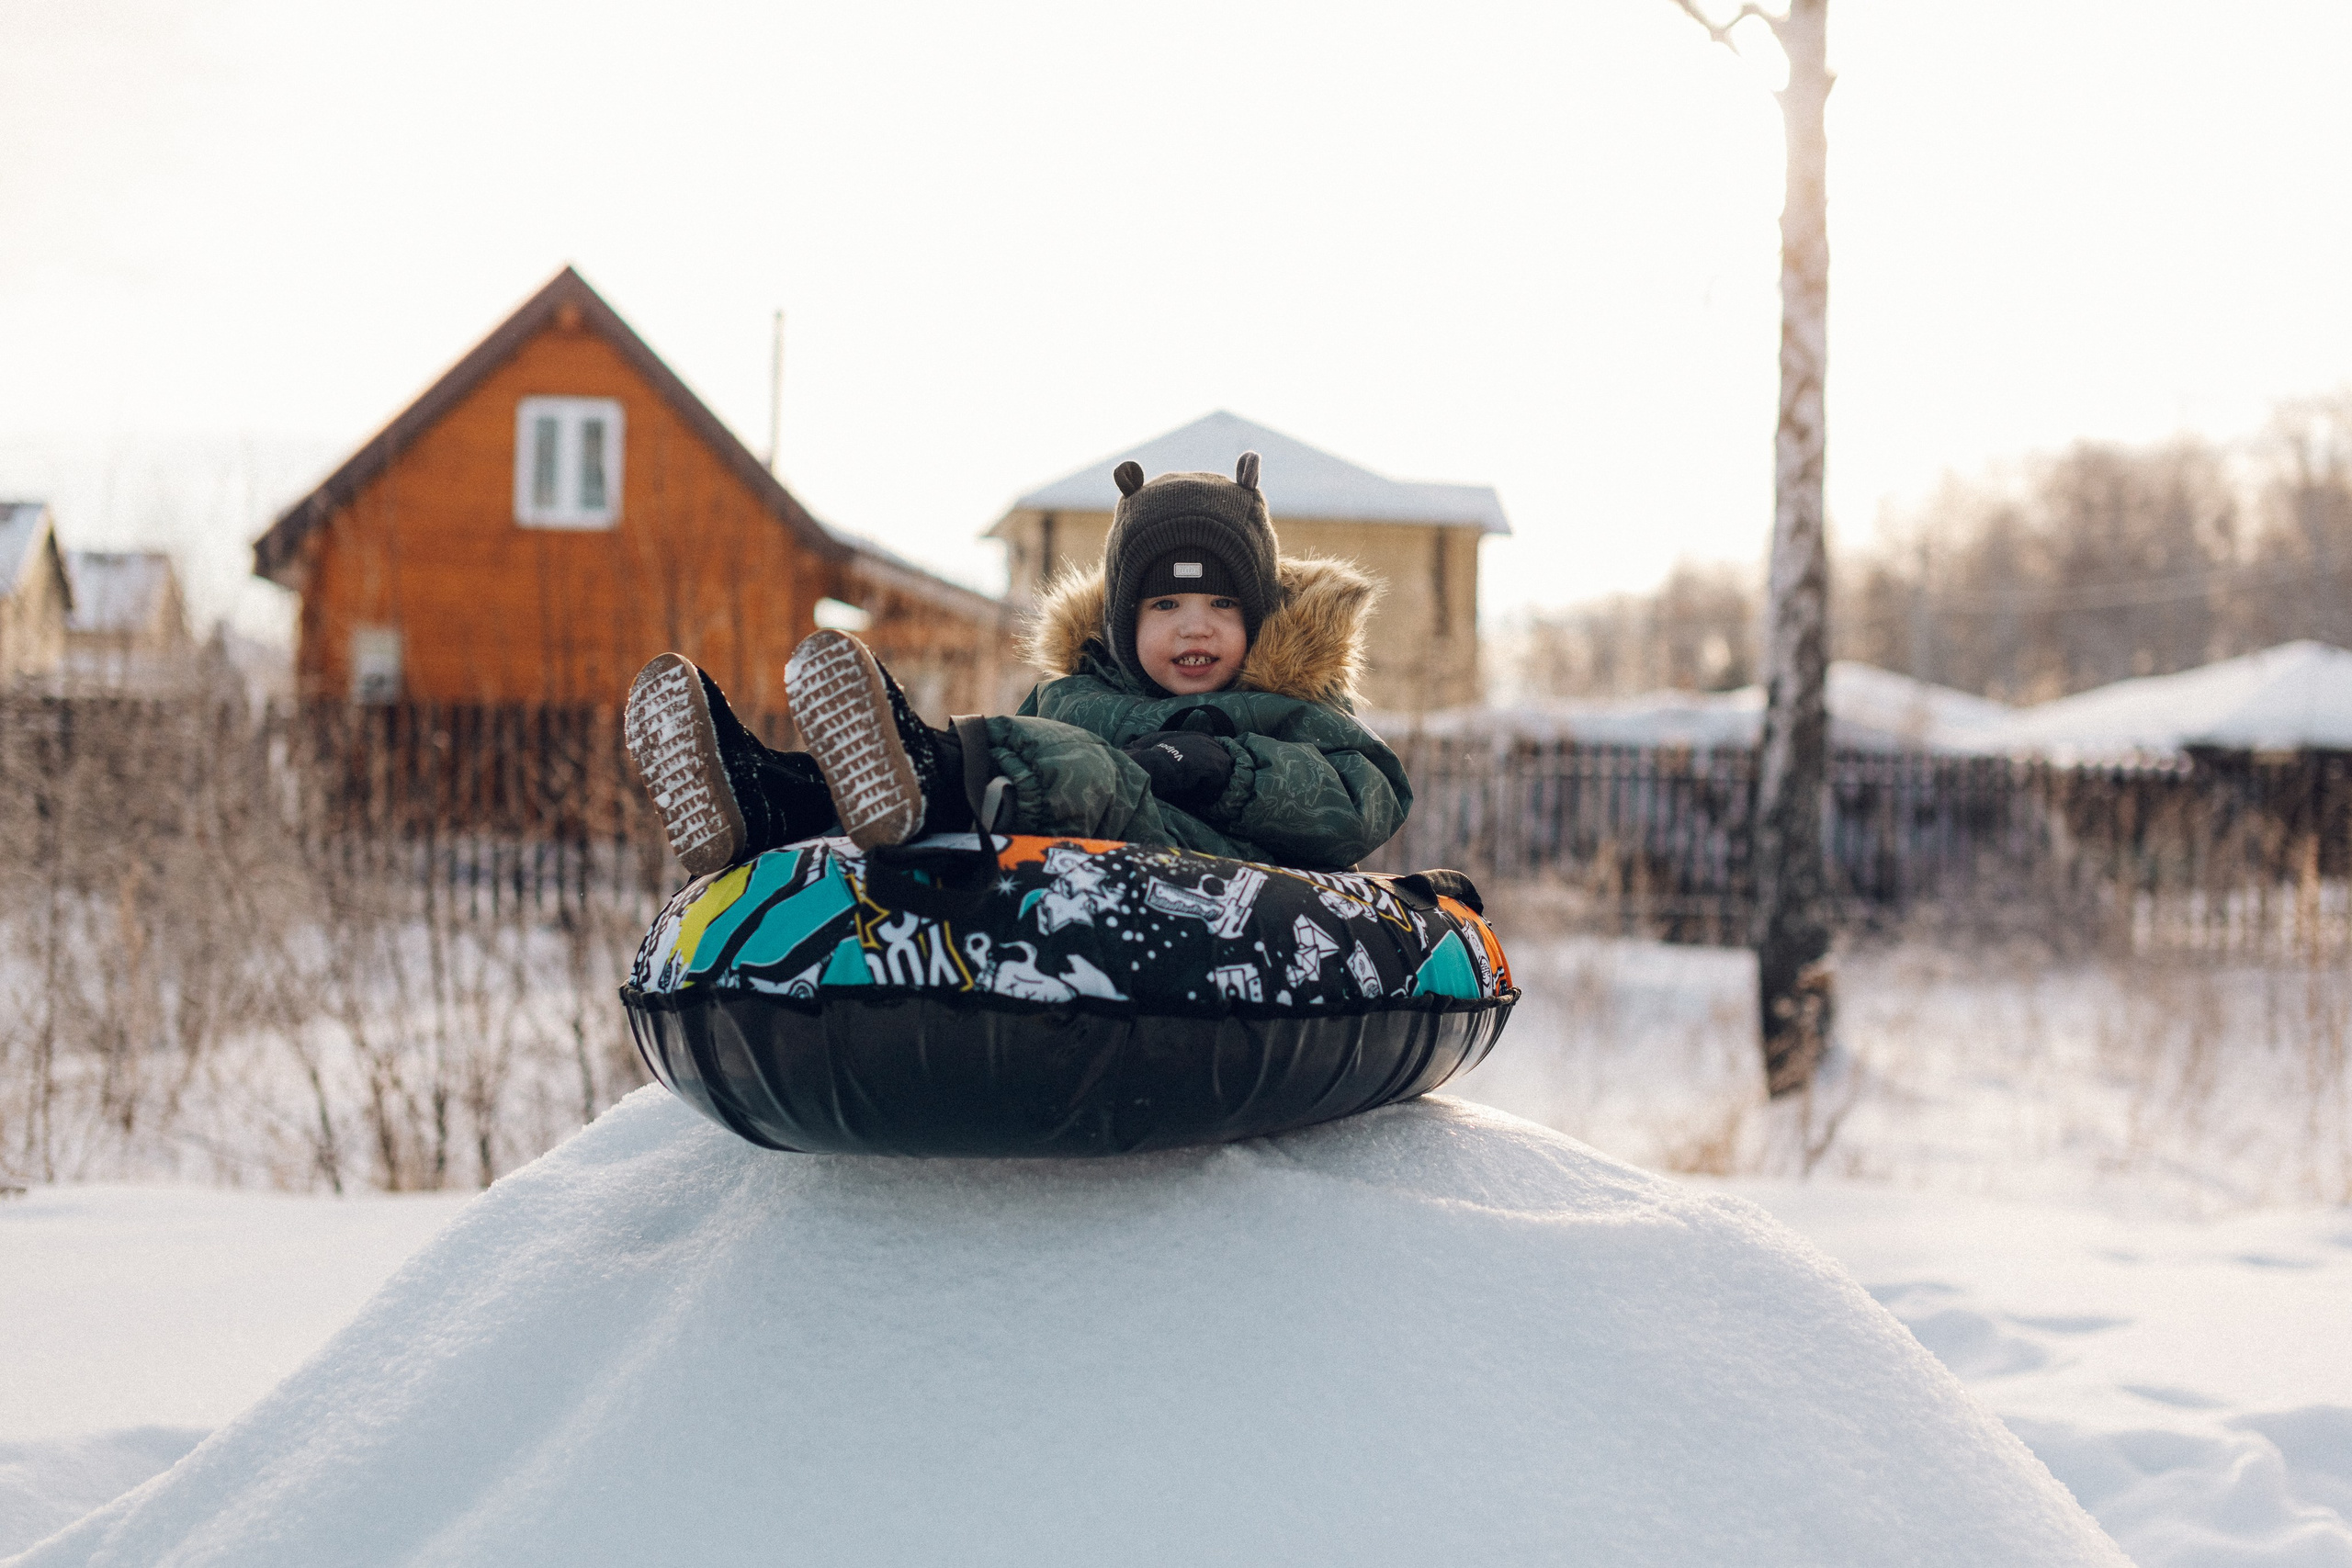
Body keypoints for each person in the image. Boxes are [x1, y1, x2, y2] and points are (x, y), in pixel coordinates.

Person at [623, 451, 1409, 877]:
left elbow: (1365, 799)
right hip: (1041, 837)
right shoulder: (1074, 696)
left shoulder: (1298, 708)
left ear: (1262, 614)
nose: (1191, 628)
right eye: (1163, 607)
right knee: (977, 754)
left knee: (1085, 771)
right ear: (1120, 618)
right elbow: (1012, 746)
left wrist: (1226, 766)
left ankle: (921, 769)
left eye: (1220, 607)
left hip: (1206, 864)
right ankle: (771, 798)